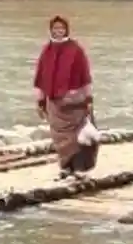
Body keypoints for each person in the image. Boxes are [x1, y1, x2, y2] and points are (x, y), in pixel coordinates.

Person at [33, 15, 97, 180]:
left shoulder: (76, 50)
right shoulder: (47, 50)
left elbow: (85, 76)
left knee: (76, 137)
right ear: (51, 30)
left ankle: (78, 168)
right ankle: (65, 167)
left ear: (66, 30)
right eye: (55, 29)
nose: (59, 32)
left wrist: (88, 99)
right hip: (54, 103)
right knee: (59, 138)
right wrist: (40, 101)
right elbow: (40, 77)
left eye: (61, 29)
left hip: (75, 102)